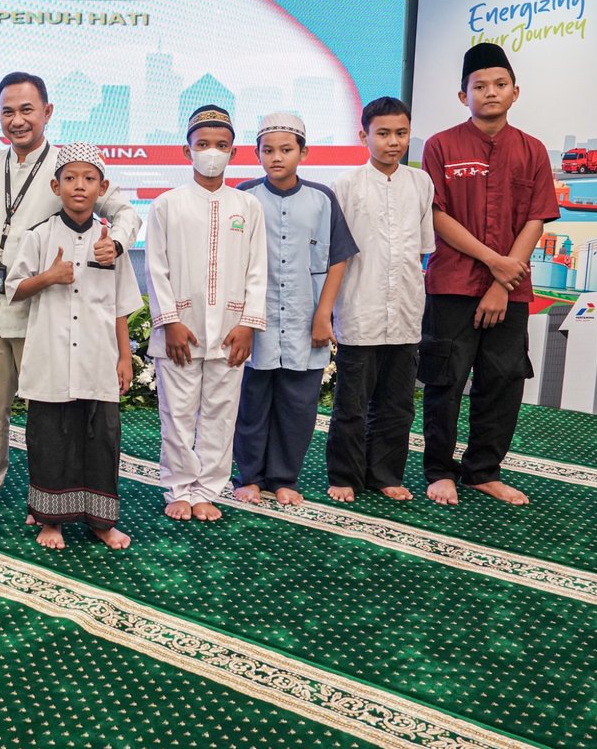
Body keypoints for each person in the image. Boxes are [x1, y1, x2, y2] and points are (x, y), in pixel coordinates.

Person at [0, 71, 139, 516]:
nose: (18, 120)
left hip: (46, 317)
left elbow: (125, 212)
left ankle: (44, 497)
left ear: (47, 112)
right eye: (8, 111)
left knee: (50, 417)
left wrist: (118, 243)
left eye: (27, 110)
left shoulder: (68, 169)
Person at [419, 44, 557, 507]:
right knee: (445, 381)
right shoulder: (441, 146)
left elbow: (536, 218)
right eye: (479, 86)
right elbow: (436, 214)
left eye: (500, 84)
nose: (490, 92)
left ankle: (483, 471)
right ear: (464, 96)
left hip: (510, 291)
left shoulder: (533, 150)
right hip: (452, 284)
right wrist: (493, 261)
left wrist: (502, 281)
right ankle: (439, 471)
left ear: (516, 92)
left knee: (503, 380)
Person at [7, 142, 141, 551]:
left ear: (102, 187)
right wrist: (48, 277)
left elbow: (121, 305)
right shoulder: (39, 236)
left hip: (99, 359)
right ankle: (51, 521)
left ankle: (101, 523)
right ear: (56, 186)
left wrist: (125, 357)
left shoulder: (110, 243)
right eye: (70, 178)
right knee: (50, 440)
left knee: (102, 441)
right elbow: (13, 289)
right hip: (51, 360)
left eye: (88, 179)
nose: (79, 186)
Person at [145, 104, 267, 522]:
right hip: (180, 330)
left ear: (234, 152)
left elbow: (257, 268)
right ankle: (180, 488)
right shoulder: (167, 204)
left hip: (231, 330)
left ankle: (208, 490)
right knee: (177, 414)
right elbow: (156, 268)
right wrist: (169, 321)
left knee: (221, 413)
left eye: (221, 145)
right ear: (187, 150)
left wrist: (249, 323)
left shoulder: (247, 206)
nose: (211, 152)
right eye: (203, 144)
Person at [233, 113, 356, 506]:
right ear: (256, 153)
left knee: (298, 404)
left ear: (303, 153)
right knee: (252, 401)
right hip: (255, 318)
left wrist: (323, 315)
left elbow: (338, 258)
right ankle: (250, 477)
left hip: (306, 317)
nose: (276, 157)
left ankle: (285, 478)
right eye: (268, 150)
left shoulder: (322, 198)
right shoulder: (244, 196)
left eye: (286, 149)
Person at [328, 96, 433, 503]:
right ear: (364, 136)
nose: (393, 142)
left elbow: (422, 247)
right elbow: (335, 252)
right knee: (351, 404)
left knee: (398, 405)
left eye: (401, 133)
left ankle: (385, 474)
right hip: (359, 308)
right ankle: (345, 476)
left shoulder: (421, 183)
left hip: (405, 310)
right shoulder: (346, 185)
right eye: (383, 133)